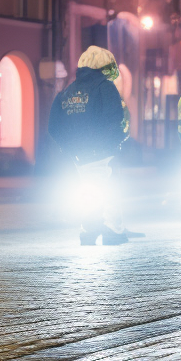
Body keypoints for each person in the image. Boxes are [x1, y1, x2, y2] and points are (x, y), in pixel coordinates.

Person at [48, 45, 131, 245]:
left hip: (78, 155)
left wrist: (69, 147)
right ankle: (107, 230)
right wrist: (113, 143)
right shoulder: (105, 87)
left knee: (92, 190)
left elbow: (54, 126)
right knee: (105, 189)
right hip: (101, 152)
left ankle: (94, 229)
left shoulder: (68, 90)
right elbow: (115, 118)